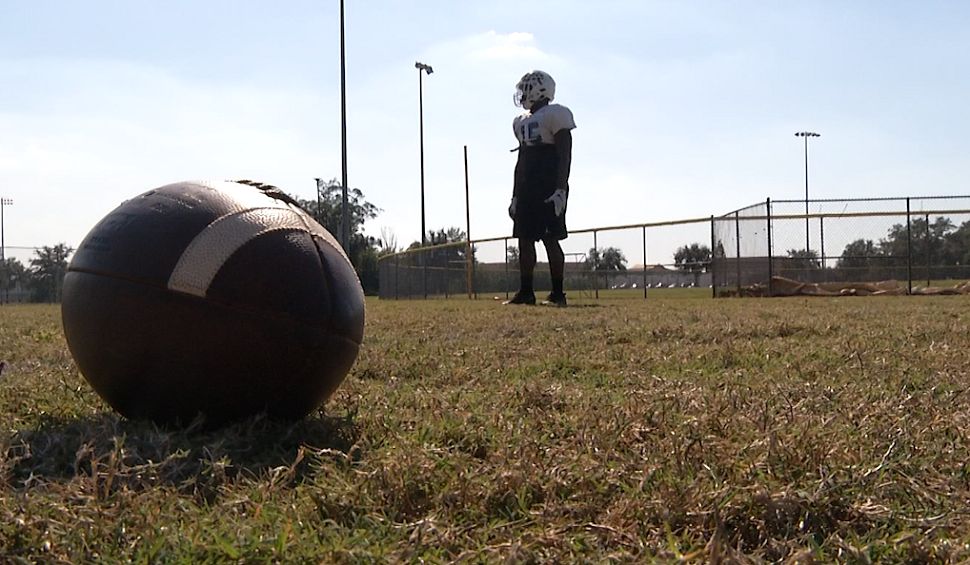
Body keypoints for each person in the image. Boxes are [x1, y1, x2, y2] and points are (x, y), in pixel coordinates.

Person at [505, 70, 576, 307]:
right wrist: (515, 195)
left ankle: (558, 293)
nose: (522, 94)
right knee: (524, 239)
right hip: (527, 187)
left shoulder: (556, 115)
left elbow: (565, 154)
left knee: (550, 239)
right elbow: (521, 160)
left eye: (526, 88)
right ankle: (526, 291)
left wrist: (560, 189)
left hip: (547, 184)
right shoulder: (521, 122)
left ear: (539, 89)